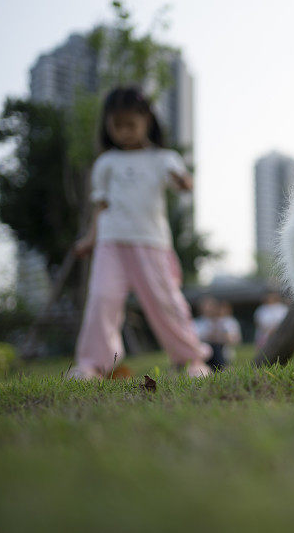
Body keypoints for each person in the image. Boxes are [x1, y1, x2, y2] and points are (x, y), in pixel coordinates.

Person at [67, 86, 212, 380]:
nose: (124, 131)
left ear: (147, 120)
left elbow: (184, 183)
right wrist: (90, 239)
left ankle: (191, 359)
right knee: (102, 299)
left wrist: (182, 180)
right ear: (107, 126)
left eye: (130, 124)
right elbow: (101, 207)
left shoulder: (163, 158)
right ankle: (93, 365)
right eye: (116, 125)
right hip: (110, 244)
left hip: (151, 243)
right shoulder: (106, 163)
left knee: (165, 302)